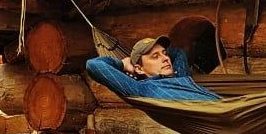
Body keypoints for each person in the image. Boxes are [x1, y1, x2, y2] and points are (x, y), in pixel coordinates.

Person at [86, 35, 221, 102]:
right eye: (155, 56)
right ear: (139, 69)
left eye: (164, 53)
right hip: (223, 114)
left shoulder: (179, 75)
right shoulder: (142, 89)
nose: (165, 58)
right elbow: (93, 65)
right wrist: (123, 64)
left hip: (231, 109)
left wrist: (160, 53)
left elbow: (178, 52)